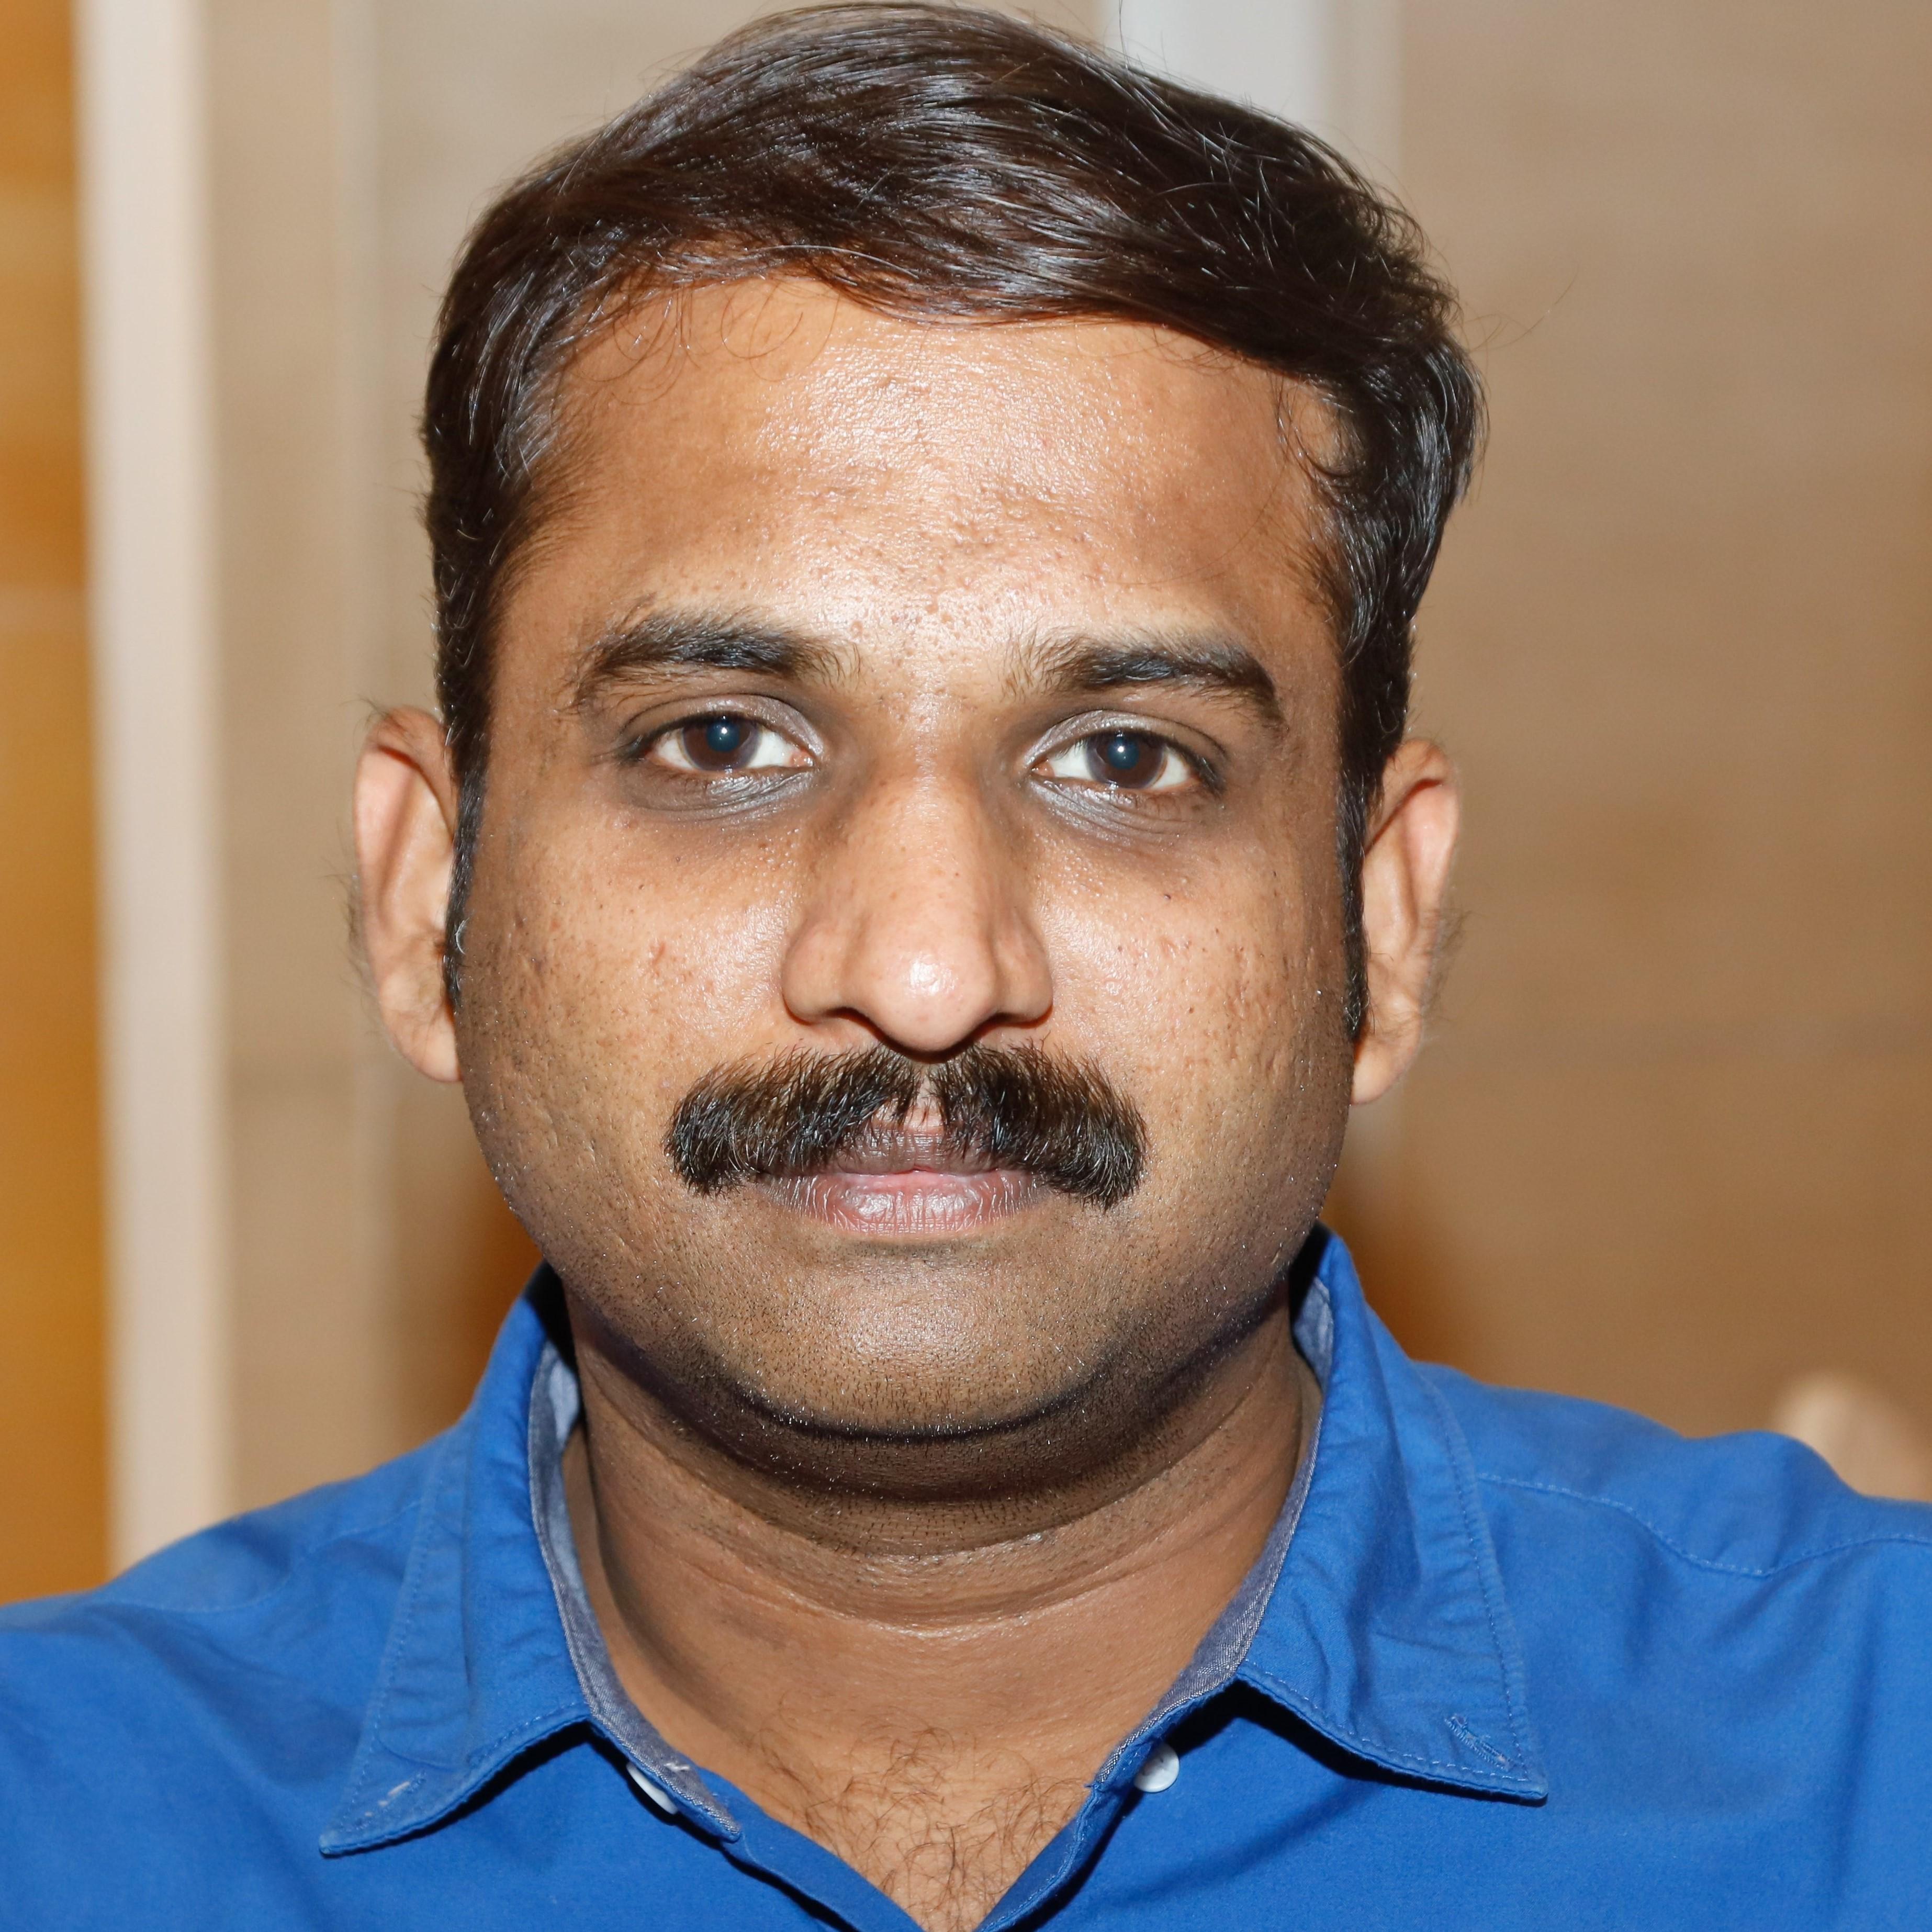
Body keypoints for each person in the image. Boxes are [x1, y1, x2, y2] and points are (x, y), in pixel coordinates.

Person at [4, 7, 1928, 1927]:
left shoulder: (1866, 1762)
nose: (924, 970)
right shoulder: (71, 1826)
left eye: (1124, 760)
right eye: (722, 741)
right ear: (430, 893)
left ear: (1383, 923)